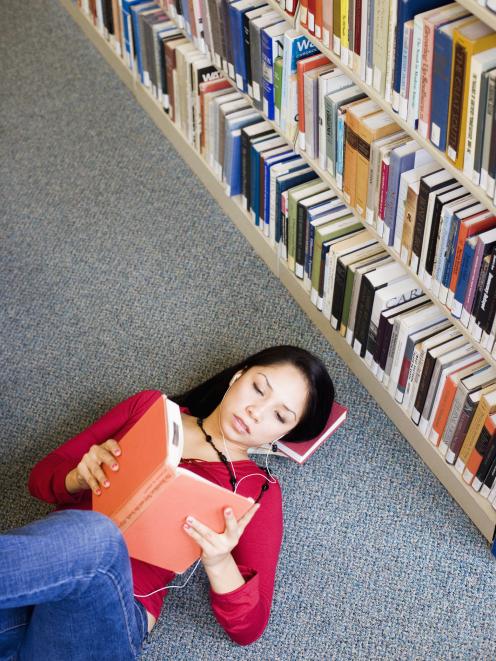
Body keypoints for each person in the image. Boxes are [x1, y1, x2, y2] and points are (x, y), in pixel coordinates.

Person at [0, 345, 334, 660]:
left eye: (280, 416)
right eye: (258, 389)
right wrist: (78, 476)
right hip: (31, 583)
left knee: (99, 537)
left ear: (282, 436)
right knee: (89, 534)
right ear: (238, 376)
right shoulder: (148, 408)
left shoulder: (257, 490)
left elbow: (250, 628)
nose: (256, 412)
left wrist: (218, 561)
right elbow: (39, 478)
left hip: (109, 613)